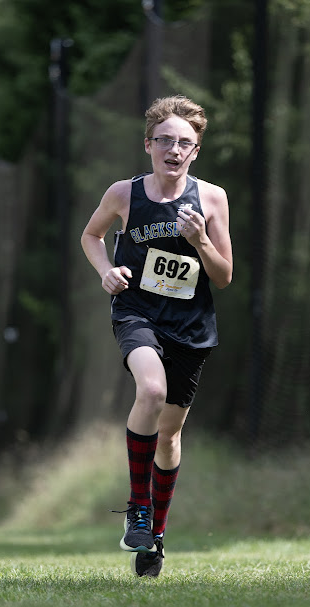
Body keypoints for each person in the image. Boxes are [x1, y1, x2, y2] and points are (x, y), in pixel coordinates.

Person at [81, 95, 233, 577]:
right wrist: (106, 271)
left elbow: (225, 275)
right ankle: (136, 510)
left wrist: (201, 241)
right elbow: (91, 236)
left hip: (190, 325)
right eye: (164, 140)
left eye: (184, 143)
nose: (173, 149)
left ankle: (155, 539)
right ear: (148, 145)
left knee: (169, 437)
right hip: (137, 313)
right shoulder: (124, 194)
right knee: (150, 389)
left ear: (195, 152)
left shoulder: (211, 198)